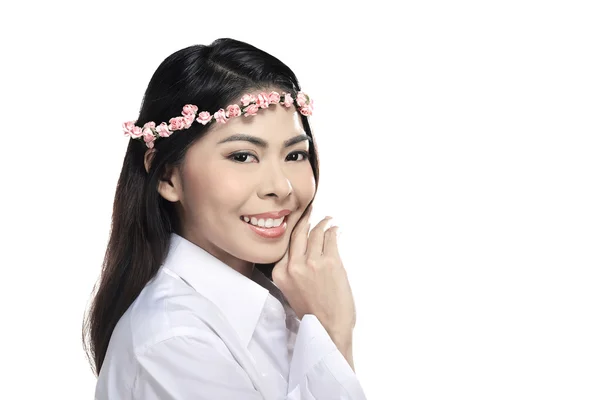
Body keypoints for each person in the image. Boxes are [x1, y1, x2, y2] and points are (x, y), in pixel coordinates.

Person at [82, 38, 367, 399]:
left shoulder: (283, 299)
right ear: (168, 176)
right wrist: (334, 331)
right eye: (243, 157)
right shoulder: (175, 342)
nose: (280, 187)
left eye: (294, 155)